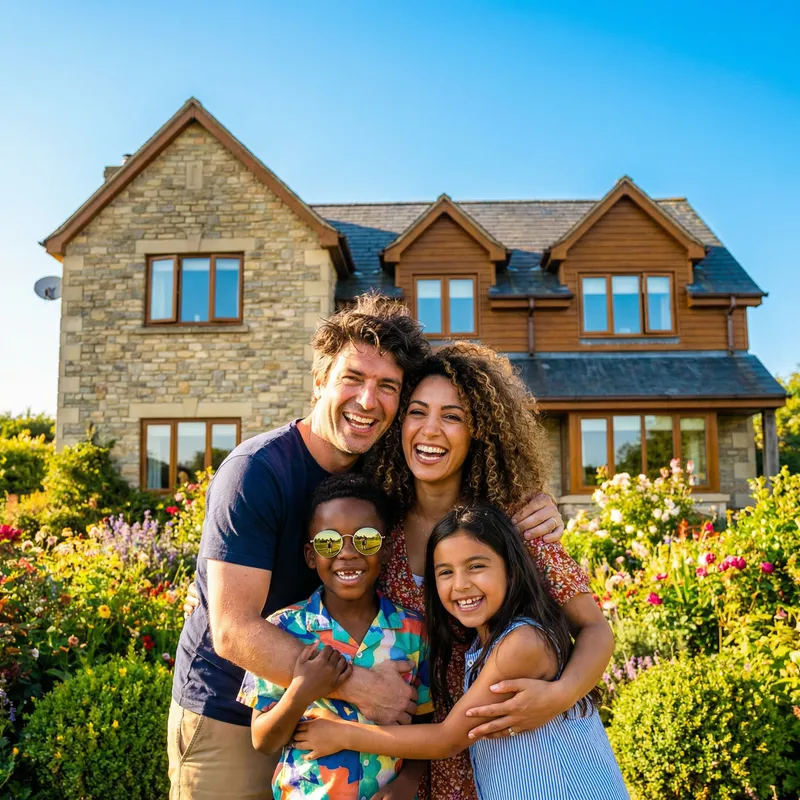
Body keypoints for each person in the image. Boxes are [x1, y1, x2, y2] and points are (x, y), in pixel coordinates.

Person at [169, 295, 565, 799]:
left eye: (387, 387)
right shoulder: (258, 472)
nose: (367, 400)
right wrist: (357, 683)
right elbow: (232, 631)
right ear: (319, 382)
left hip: (359, 728)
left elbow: (455, 484)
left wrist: (535, 508)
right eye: (352, 378)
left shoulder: (380, 472)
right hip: (231, 710)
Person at [366, 343, 614, 798]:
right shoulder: (378, 531)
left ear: (479, 431)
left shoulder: (512, 524)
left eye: (453, 416)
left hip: (513, 756)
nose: (431, 430)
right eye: (417, 412)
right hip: (404, 760)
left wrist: (558, 697)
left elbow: (596, 628)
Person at [294, 503, 629, 800]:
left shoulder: (522, 644)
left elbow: (447, 739)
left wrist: (343, 734)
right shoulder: (483, 646)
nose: (461, 584)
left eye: (476, 566)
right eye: (445, 573)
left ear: (510, 569)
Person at [238, 473, 433, 799]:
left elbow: (427, 725)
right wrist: (302, 690)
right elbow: (263, 740)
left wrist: (408, 782)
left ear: (384, 551)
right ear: (310, 555)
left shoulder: (414, 631)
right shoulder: (283, 629)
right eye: (329, 541)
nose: (347, 553)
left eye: (366, 539)